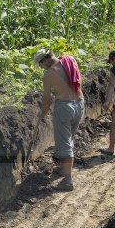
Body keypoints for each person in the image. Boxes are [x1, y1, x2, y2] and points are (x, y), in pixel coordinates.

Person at [34, 48, 85, 191]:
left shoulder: (49, 74)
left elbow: (46, 98)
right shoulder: (70, 60)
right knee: (69, 138)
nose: (41, 67)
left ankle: (67, 180)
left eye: (40, 64)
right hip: (80, 104)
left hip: (65, 107)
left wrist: (43, 113)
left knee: (65, 143)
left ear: (44, 60)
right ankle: (64, 169)